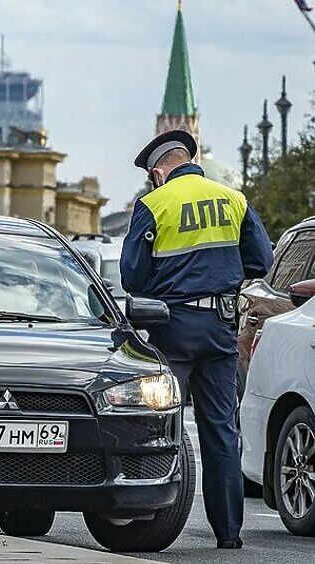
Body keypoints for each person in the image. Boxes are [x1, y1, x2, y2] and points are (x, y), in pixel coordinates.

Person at [120, 130, 273, 550]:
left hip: (172, 326)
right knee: (222, 429)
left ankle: (143, 516)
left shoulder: (154, 203)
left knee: (158, 422)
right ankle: (229, 533)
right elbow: (262, 261)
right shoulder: (233, 199)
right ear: (190, 159)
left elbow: (132, 277)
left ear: (157, 171)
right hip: (222, 328)